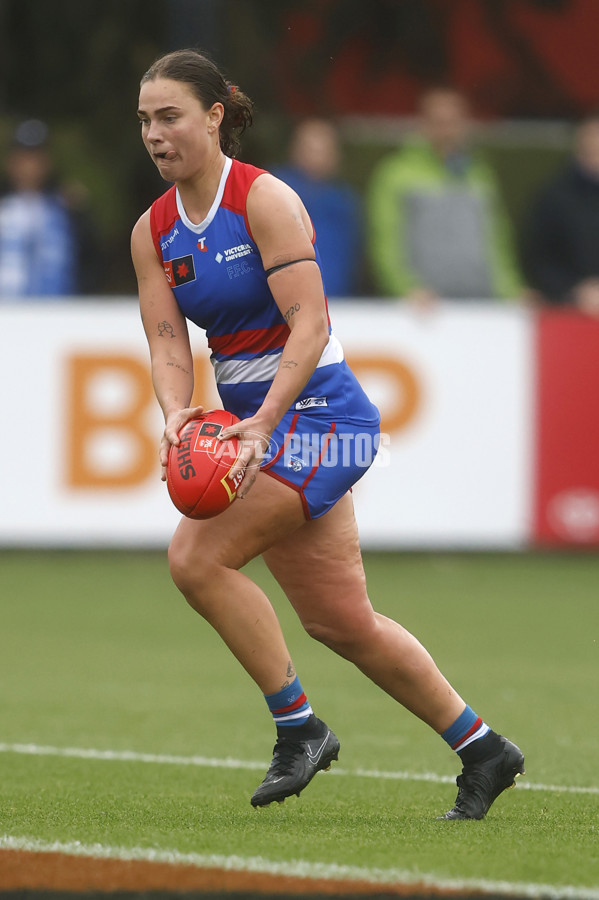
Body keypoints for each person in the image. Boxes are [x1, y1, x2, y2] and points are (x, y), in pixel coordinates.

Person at [131, 49, 524, 819]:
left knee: (195, 556)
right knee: (341, 621)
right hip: (263, 430)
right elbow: (168, 343)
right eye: (144, 120)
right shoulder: (154, 231)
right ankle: (484, 749)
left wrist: (262, 427)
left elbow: (310, 324)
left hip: (325, 422)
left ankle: (299, 727)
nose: (154, 133)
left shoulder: (265, 200)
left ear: (214, 117)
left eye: (170, 116)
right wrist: (175, 409)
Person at [366, 87, 523, 304]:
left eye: (454, 122)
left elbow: (496, 240)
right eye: (439, 122)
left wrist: (511, 291)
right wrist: (405, 289)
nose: (448, 131)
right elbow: (385, 240)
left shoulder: (480, 174)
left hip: (484, 305)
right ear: (423, 124)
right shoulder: (396, 173)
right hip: (424, 308)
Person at [0, 119, 101, 299]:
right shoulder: (5, 208)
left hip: (59, 312)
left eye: (36, 157)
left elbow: (90, 258)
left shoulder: (68, 209)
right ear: (11, 161)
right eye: (23, 157)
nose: (29, 166)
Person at [272, 118, 363, 298]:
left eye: (325, 150)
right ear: (295, 150)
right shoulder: (272, 191)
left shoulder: (345, 200)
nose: (318, 157)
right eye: (311, 149)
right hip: (282, 302)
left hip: (339, 301)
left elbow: (353, 257)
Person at [521, 112, 599, 317]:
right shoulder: (554, 196)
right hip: (568, 313)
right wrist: (576, 289)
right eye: (591, 139)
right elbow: (538, 257)